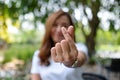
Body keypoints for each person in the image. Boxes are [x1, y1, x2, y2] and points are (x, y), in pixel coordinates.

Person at [30, 9, 88, 80]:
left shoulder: (79, 47)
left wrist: (72, 61)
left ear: (71, 28)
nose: (59, 30)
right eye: (55, 25)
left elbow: (81, 58)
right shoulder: (38, 54)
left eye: (64, 25)